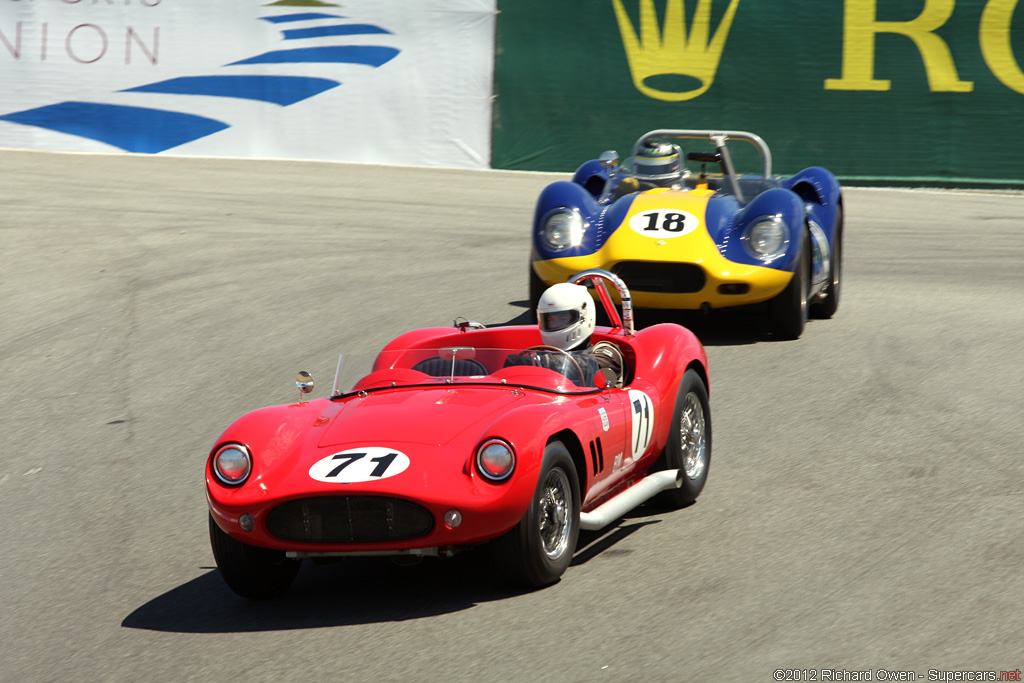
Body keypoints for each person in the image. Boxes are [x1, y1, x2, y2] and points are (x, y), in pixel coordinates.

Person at [507, 283, 624, 387]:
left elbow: (591, 366)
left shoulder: (606, 353)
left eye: (563, 319)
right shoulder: (539, 356)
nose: (555, 324)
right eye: (551, 320)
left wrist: (541, 361)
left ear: (584, 316)